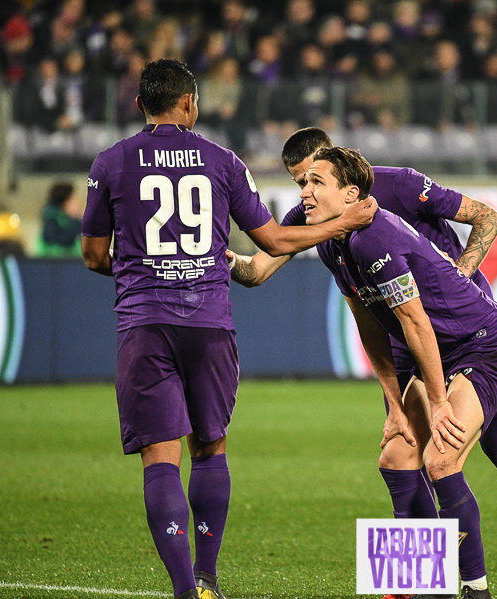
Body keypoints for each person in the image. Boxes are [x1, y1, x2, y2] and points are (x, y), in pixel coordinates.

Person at [227, 129, 497, 599]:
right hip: (416, 341)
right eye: (299, 183)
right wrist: (208, 257)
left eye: (313, 179)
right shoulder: (327, 229)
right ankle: (416, 579)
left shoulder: (398, 189)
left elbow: (485, 219)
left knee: (487, 447)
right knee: (398, 451)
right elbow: (271, 274)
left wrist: (462, 274)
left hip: (470, 334)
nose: (303, 192)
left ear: (341, 173)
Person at [80, 59, 376, 599]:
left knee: (160, 460)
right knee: (210, 450)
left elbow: (94, 255)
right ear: (190, 104)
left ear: (140, 104)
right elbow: (275, 242)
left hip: (146, 322)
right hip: (210, 322)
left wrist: (140, 267)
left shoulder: (111, 162)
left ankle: (183, 593)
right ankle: (208, 578)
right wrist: (344, 222)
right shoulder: (223, 161)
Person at [37, 181, 83, 258]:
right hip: (52, 264)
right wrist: (75, 220)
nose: (78, 202)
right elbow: (59, 241)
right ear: (64, 202)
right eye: (73, 199)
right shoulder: (51, 217)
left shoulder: (67, 220)